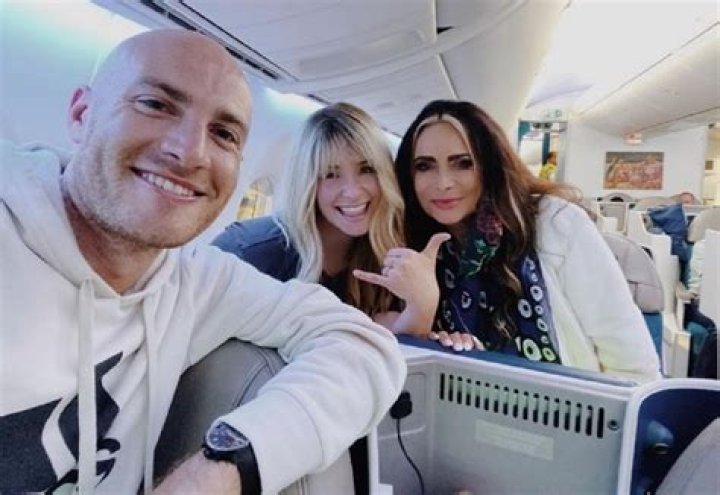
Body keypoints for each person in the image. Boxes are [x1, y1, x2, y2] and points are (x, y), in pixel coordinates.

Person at [0, 29, 406, 494]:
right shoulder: (256, 249)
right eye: (155, 104)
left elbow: (364, 346)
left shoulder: (197, 281)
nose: (190, 152)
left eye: (223, 134)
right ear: (80, 114)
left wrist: (222, 467)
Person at [386, 99, 661, 384]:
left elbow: (631, 361)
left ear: (490, 165)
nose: (443, 182)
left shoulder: (554, 222)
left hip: (571, 404)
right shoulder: (413, 248)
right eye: (424, 166)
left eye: (464, 163)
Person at [214, 102, 447, 338]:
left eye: (366, 169)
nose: (353, 192)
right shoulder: (249, 251)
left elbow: (395, 341)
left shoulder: (383, 252)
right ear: (308, 183)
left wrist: (423, 304)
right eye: (331, 174)